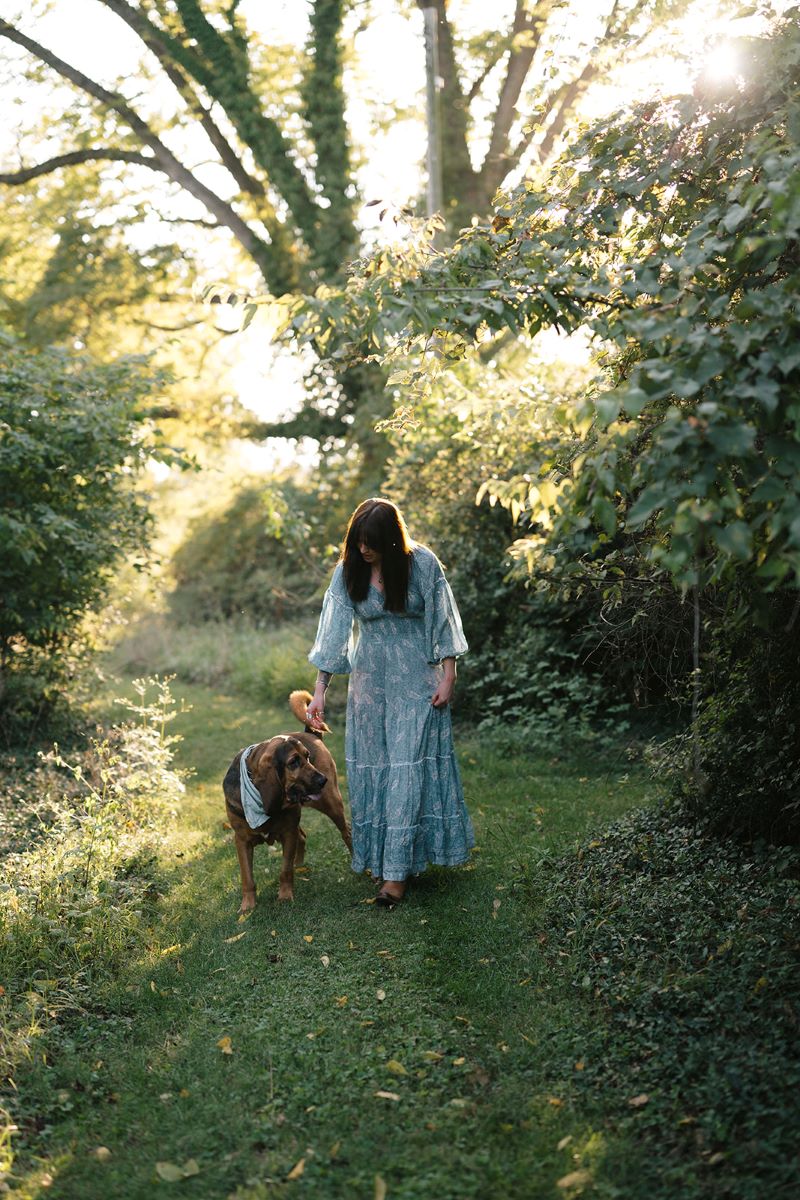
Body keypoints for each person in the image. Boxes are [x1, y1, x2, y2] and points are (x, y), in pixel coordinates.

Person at [306, 497, 475, 906]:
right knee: (378, 770)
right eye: (358, 542)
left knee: (407, 771)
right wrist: (320, 689)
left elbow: (443, 618)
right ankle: (387, 860)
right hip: (370, 685)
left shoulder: (422, 565)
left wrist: (449, 676)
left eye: (372, 543)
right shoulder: (349, 570)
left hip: (418, 679)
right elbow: (333, 633)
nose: (364, 550)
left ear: (392, 540)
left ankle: (395, 877)